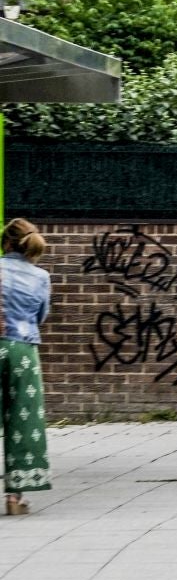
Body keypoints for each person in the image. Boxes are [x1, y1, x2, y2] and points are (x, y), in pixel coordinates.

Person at [0, 219, 51, 516]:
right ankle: (15, 496)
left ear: (6, 242)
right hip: (22, 349)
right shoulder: (40, 276)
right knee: (24, 421)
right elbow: (41, 316)